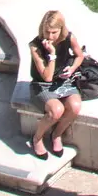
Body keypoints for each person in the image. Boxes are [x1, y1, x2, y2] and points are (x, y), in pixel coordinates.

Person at [27, 10, 86, 159]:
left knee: (75, 107)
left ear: (61, 29)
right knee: (56, 111)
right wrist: (52, 54)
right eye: (47, 32)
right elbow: (46, 77)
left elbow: (80, 55)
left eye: (54, 32)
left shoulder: (69, 37)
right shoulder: (35, 46)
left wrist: (72, 68)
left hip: (63, 81)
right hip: (42, 85)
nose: (50, 36)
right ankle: (37, 138)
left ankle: (57, 134)